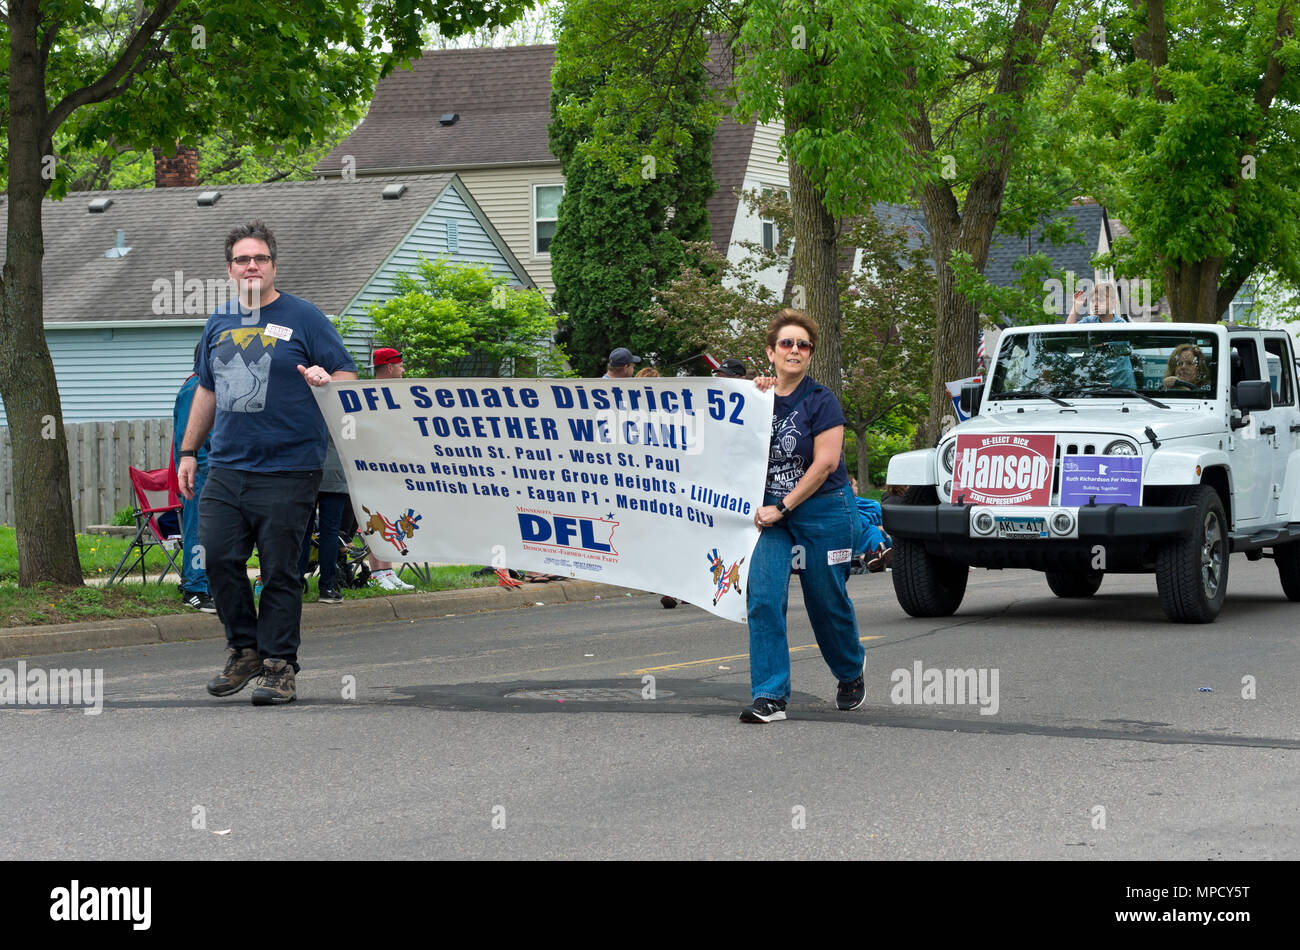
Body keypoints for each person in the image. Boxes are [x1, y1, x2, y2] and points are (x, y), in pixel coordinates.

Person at [178, 220, 357, 706]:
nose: (250, 266)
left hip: (289, 467)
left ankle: (279, 666)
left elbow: (345, 371)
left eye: (259, 258)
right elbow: (207, 390)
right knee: (217, 559)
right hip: (228, 467)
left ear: (273, 265)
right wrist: (189, 451)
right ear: (230, 269)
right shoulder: (218, 323)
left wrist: (327, 378)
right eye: (241, 260)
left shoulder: (306, 318)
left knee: (280, 570)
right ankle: (244, 649)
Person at [742, 308, 866, 723]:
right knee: (762, 597)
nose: (794, 350)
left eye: (803, 345)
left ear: (810, 355)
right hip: (769, 515)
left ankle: (850, 672)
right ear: (771, 352)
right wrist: (752, 392)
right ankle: (770, 695)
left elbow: (825, 464)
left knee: (825, 600)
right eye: (786, 343)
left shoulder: (821, 400)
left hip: (822, 508)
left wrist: (783, 506)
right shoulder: (752, 399)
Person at [367, 347, 415, 591]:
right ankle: (376, 572)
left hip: (391, 466)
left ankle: (388, 570)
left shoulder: (395, 395)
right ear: (389, 368)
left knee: (392, 519)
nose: (403, 370)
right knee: (376, 519)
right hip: (372, 468)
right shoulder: (369, 395)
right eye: (400, 366)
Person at [173, 344, 215, 612]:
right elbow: (188, 439)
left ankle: (208, 585)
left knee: (211, 534)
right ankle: (194, 589)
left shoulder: (207, 389)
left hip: (212, 473)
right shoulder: (195, 390)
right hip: (199, 475)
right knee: (198, 532)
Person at [298, 435, 350, 603]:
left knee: (304, 532)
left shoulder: (307, 408)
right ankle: (327, 588)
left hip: (308, 469)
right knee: (330, 533)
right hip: (336, 472)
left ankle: (296, 583)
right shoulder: (343, 411)